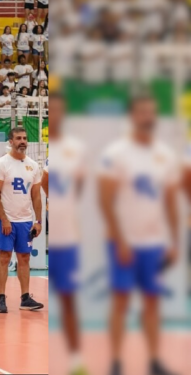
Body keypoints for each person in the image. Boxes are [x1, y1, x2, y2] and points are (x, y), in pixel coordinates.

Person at [98, 96, 179, 375]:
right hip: (123, 242)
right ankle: (116, 362)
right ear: (132, 116)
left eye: (151, 112)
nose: (147, 116)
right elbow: (105, 200)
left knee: (152, 301)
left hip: (153, 243)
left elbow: (170, 201)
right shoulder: (117, 153)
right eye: (142, 111)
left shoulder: (164, 155)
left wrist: (175, 242)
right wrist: (120, 239)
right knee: (121, 301)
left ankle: (155, 361)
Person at [43, 94, 87, 375]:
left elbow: (82, 185)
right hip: (57, 234)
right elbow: (45, 182)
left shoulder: (76, 149)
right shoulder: (51, 154)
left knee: (72, 298)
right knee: (56, 297)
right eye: (52, 111)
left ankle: (75, 358)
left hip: (72, 236)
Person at [0, 127, 44, 313]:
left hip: (25, 221)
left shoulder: (33, 166)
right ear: (10, 141)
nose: (22, 141)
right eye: (18, 138)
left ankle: (25, 297)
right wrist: (4, 219)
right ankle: (1, 298)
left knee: (24, 258)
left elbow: (36, 196)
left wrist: (38, 221)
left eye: (25, 138)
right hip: (6, 220)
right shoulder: (1, 164)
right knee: (4, 257)